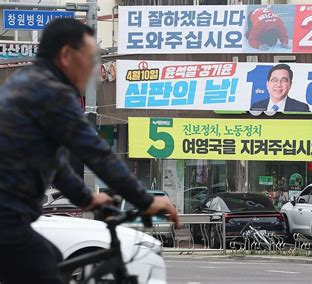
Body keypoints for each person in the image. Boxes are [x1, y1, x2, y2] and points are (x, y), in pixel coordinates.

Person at [0, 19, 179, 284]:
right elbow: (97, 154)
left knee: (52, 259)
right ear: (66, 55)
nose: (94, 70)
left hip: (11, 216)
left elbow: (55, 163)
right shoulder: (51, 92)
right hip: (6, 217)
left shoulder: (28, 83)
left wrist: (86, 198)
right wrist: (146, 200)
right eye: (90, 59)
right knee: (44, 270)